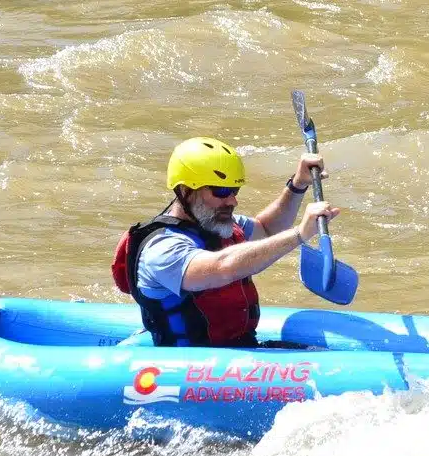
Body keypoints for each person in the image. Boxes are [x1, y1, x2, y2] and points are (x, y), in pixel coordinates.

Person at [111, 136, 339, 348]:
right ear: (184, 191)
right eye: (221, 191)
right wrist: (300, 233)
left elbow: (267, 229)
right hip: (192, 365)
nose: (233, 200)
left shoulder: (217, 223)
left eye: (234, 189)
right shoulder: (162, 250)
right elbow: (222, 268)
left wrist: (298, 184)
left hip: (238, 347)